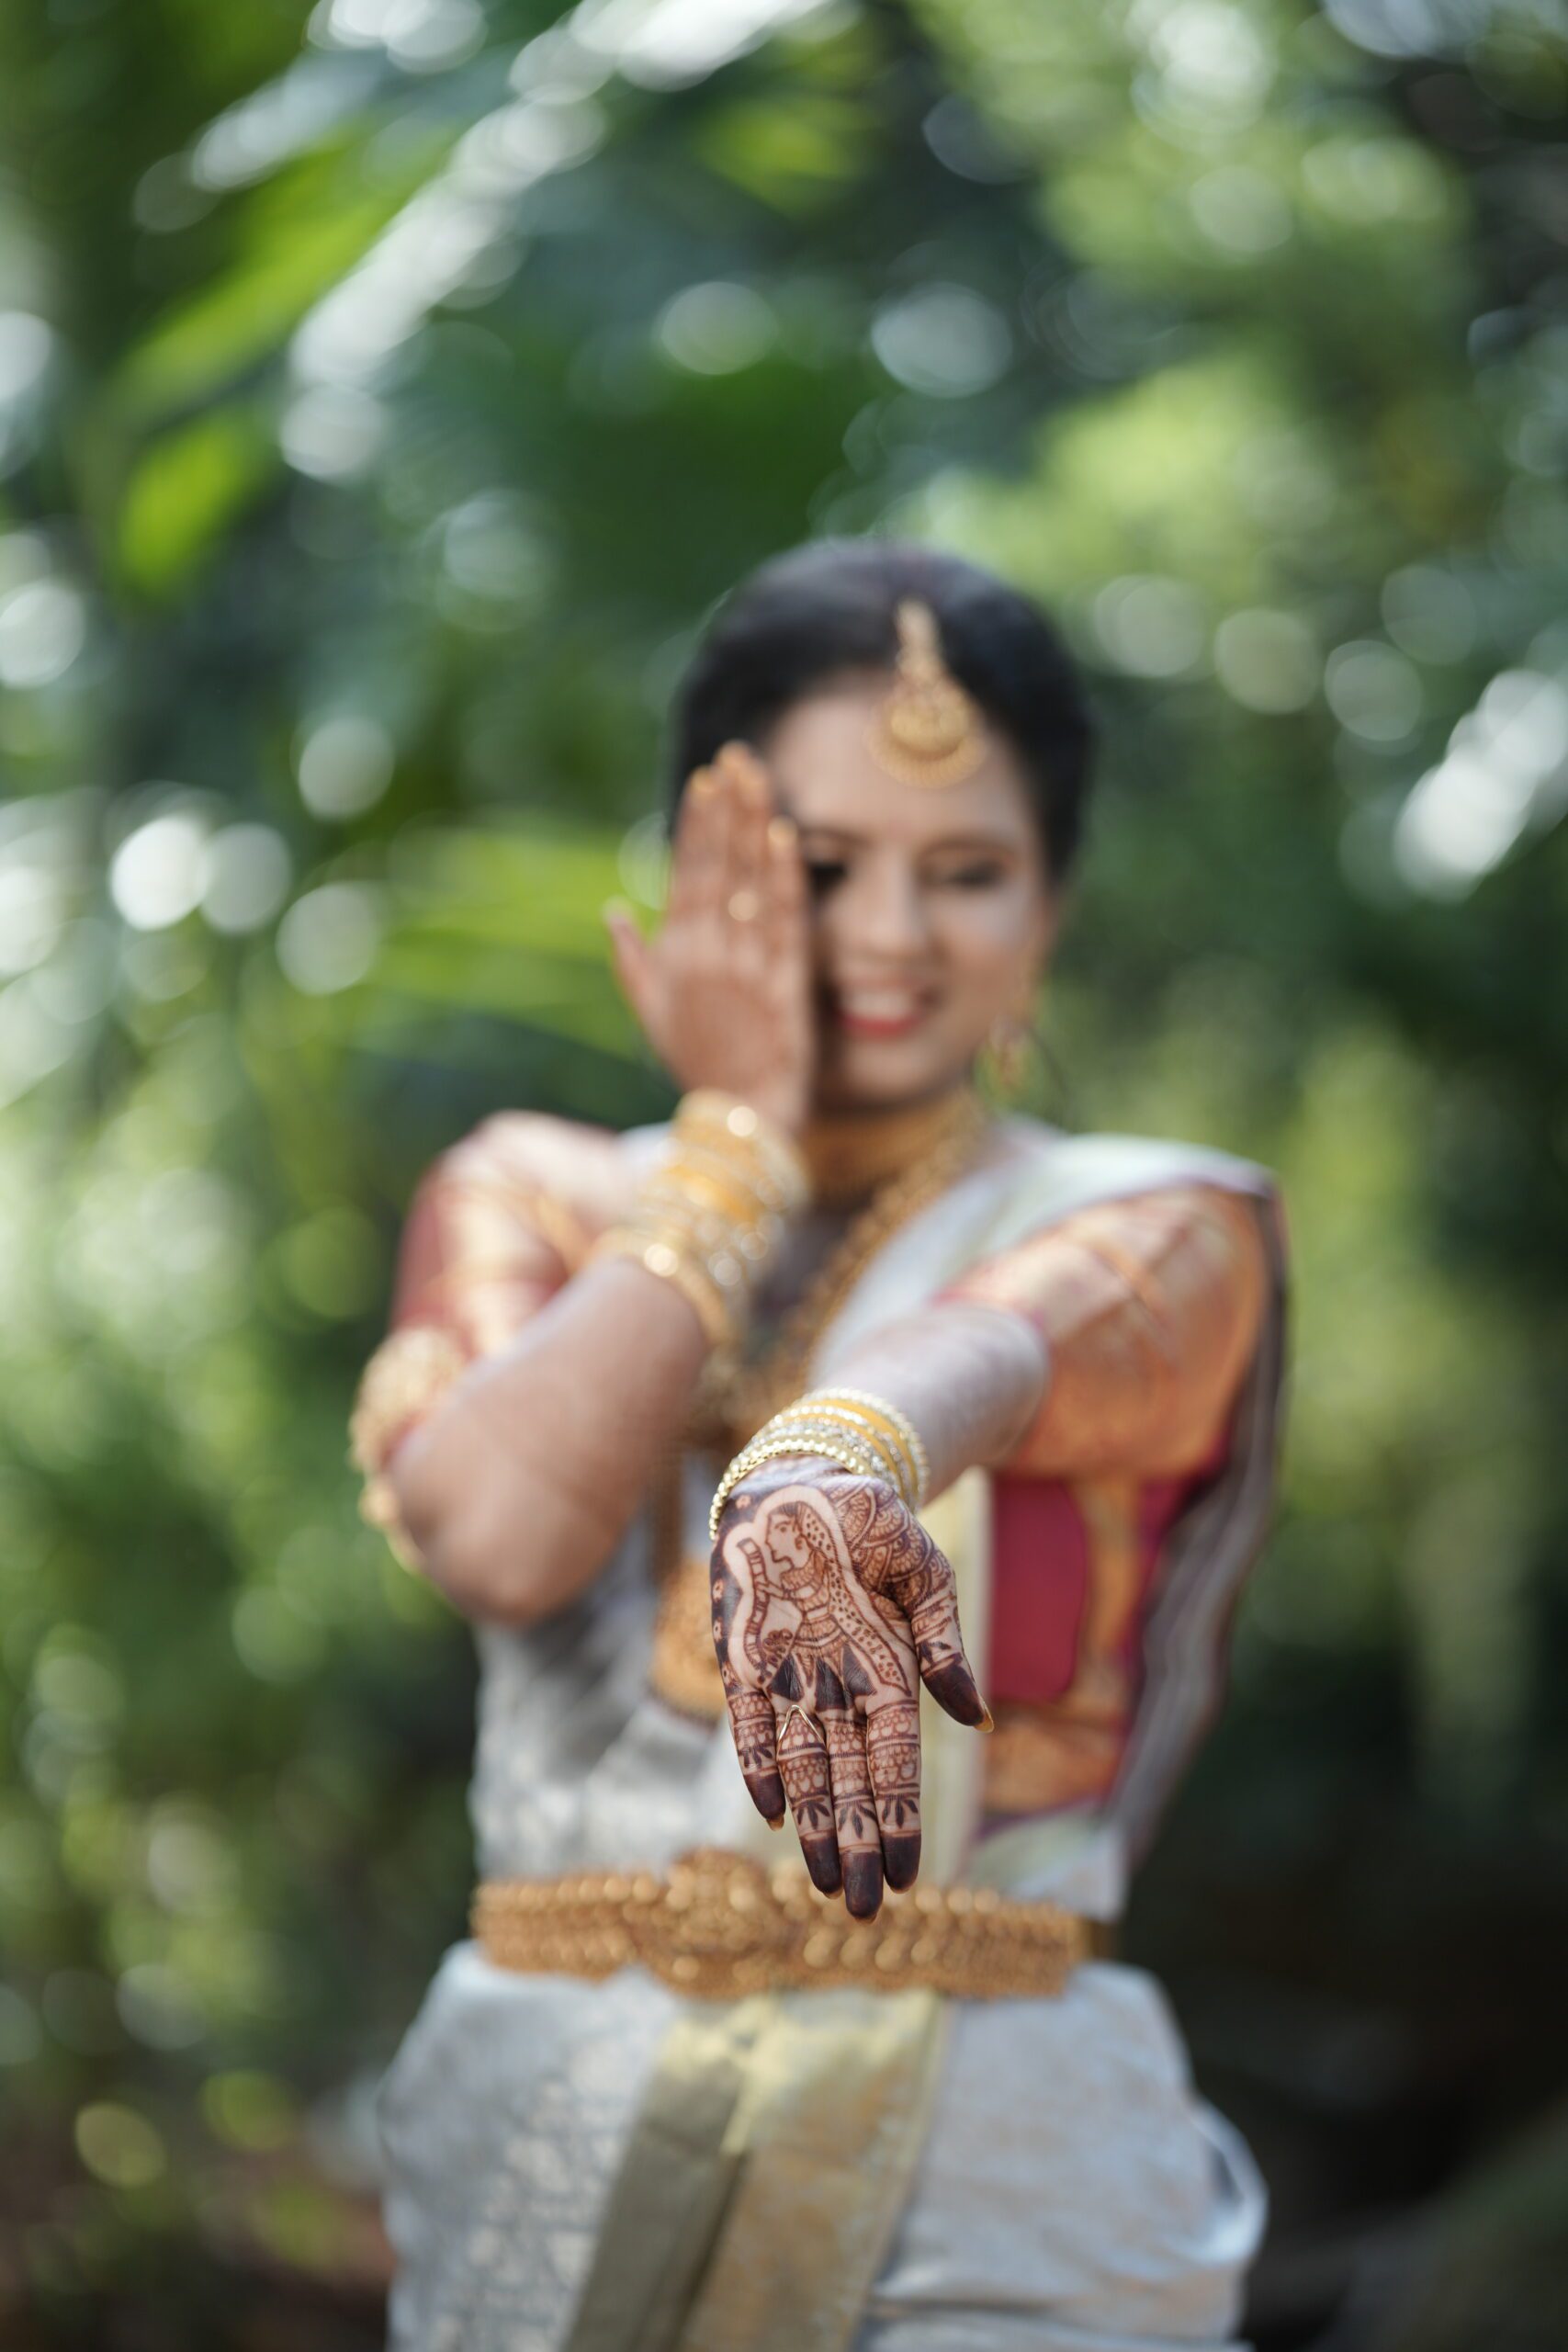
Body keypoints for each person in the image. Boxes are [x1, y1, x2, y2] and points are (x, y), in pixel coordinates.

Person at [352, 538, 1289, 2352]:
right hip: (539, 2145)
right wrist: (732, 1152)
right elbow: (498, 1538)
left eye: (968, 872)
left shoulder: (1161, 1221)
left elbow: (1009, 1337)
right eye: (825, 862)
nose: (890, 934)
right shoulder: (536, 1194)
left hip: (998, 2169)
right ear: (701, 876)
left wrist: (831, 1457)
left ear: (1049, 911)